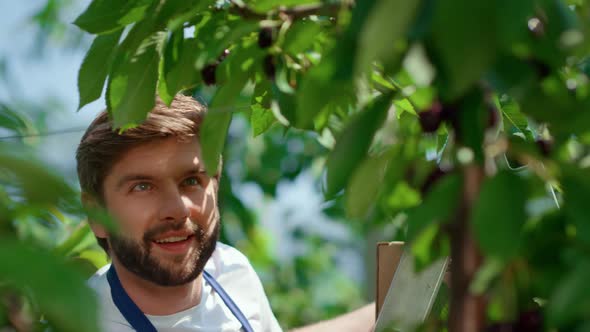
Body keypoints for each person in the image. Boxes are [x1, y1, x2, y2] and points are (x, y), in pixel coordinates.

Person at [76, 94, 374, 331]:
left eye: (191, 181)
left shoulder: (229, 270)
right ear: (96, 214)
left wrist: (393, 305)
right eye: (142, 187)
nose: (178, 210)